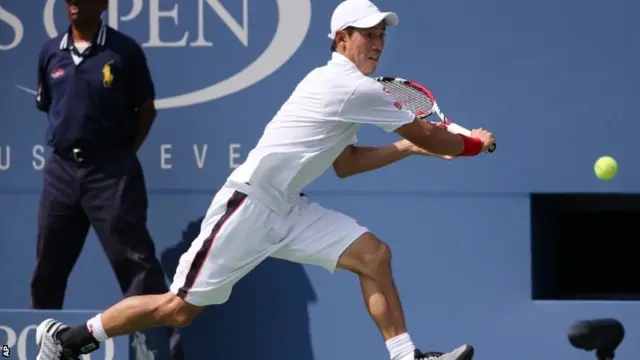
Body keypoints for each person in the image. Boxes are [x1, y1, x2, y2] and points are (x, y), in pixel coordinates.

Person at [35, 0, 495, 359]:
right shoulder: (351, 86)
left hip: (288, 207)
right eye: (366, 35)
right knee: (177, 309)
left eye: (381, 37)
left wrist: (412, 147)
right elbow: (436, 137)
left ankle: (404, 356)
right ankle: (71, 340)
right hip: (248, 204)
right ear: (341, 39)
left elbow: (346, 162)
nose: (376, 44)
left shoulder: (349, 89)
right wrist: (470, 143)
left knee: (373, 255)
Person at [32, 0, 183, 359]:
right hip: (62, 172)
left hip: (112, 171)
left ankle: (153, 350)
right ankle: (42, 346)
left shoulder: (123, 51)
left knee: (137, 267)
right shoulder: (50, 52)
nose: (73, 5)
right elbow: (50, 105)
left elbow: (145, 110)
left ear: (101, 5)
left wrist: (118, 153)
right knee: (47, 266)